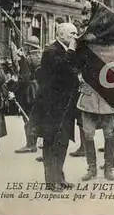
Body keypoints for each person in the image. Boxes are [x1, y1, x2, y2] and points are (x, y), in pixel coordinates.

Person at [30, 23, 80, 192]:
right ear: (61, 35)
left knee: (63, 143)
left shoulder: (66, 50)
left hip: (65, 106)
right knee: (51, 143)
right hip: (52, 107)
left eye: (76, 33)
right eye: (72, 33)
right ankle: (51, 181)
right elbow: (62, 68)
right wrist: (72, 51)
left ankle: (60, 177)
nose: (75, 36)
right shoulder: (51, 51)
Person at [76, 79, 114, 182]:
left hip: (108, 100)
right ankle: (91, 168)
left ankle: (108, 168)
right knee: (88, 134)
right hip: (89, 98)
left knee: (109, 134)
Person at [14, 36, 42, 154]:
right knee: (35, 117)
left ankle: (30, 145)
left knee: (27, 118)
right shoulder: (41, 57)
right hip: (39, 89)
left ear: (30, 47)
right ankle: (34, 143)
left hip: (29, 91)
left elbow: (24, 79)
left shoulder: (28, 59)